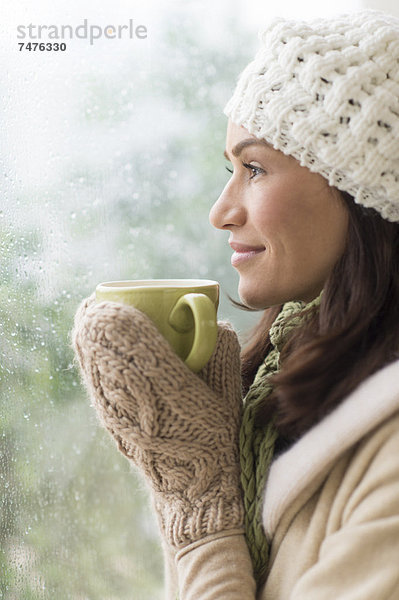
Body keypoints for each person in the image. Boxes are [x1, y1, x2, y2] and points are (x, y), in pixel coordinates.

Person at [72, 8, 399, 599]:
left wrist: (196, 501)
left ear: (363, 192)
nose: (221, 211)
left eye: (254, 168)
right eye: (231, 170)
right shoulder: (278, 400)